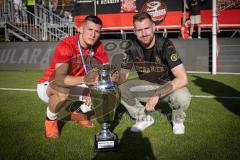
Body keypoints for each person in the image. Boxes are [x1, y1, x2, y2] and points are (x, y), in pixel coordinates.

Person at [37, 15, 109, 139]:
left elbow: (107, 70)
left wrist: (95, 88)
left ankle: (79, 114)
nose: (93, 34)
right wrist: (86, 80)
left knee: (105, 88)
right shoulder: (66, 45)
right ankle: (50, 121)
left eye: (97, 31)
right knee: (62, 90)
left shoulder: (98, 46)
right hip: (50, 85)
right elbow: (59, 79)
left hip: (75, 84)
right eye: (90, 30)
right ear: (80, 29)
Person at [118, 12, 191, 134]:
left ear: (153, 27)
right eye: (139, 30)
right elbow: (122, 75)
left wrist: (157, 94)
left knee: (183, 96)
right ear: (134, 32)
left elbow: (183, 79)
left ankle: (177, 120)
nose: (144, 33)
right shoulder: (131, 46)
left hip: (168, 86)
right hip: (147, 85)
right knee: (119, 87)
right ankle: (143, 117)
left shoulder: (165, 44)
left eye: (147, 28)